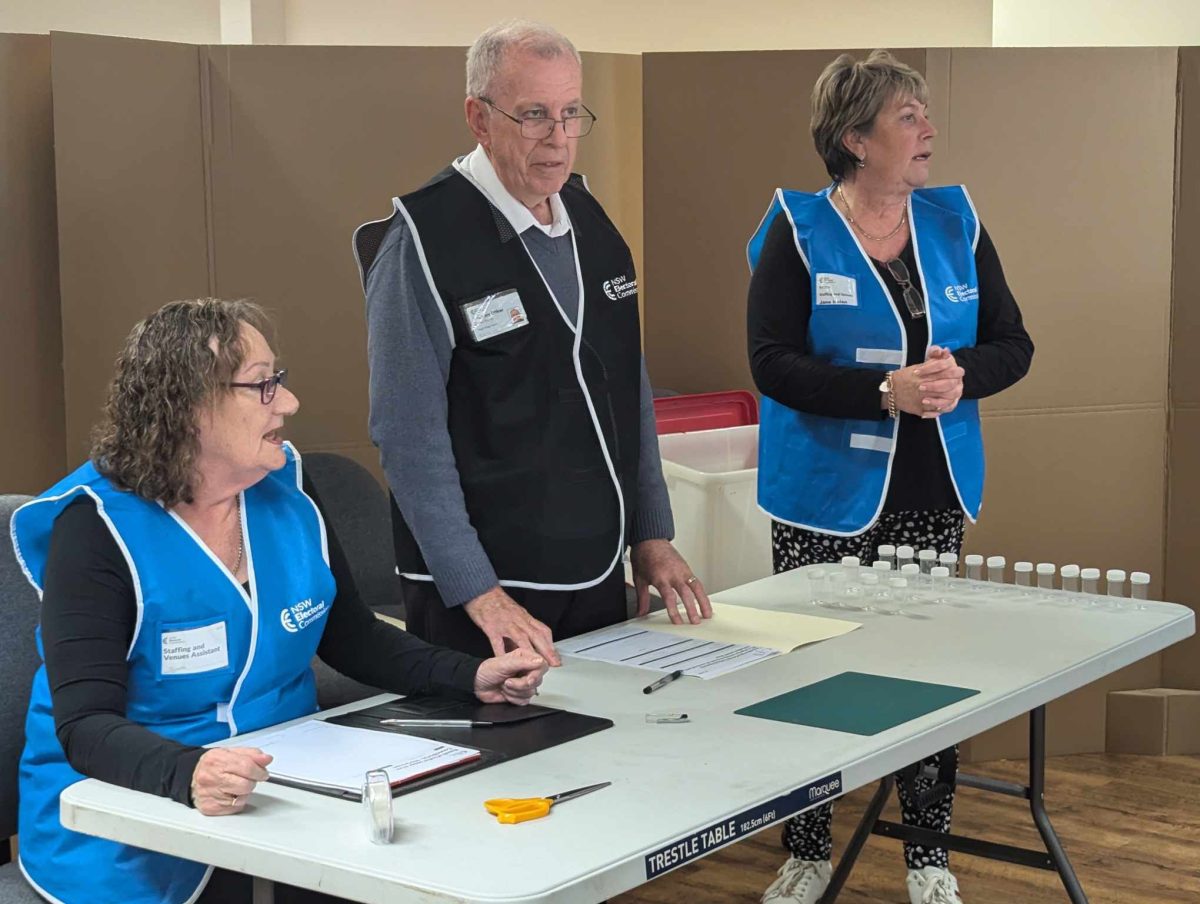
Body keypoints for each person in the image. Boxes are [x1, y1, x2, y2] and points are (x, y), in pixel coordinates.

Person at [11, 299, 549, 904]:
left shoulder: (286, 488)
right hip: (131, 802)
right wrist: (187, 772)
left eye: (280, 381)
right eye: (263, 386)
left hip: (286, 784)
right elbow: (85, 727)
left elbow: (351, 636)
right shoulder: (97, 528)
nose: (288, 403)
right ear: (191, 407)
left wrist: (471, 674)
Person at [746, 51, 1033, 904]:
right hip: (821, 502)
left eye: (923, 113)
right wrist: (882, 389)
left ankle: (926, 855)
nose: (928, 130)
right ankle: (805, 849)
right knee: (812, 677)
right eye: (908, 116)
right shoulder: (797, 232)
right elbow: (772, 364)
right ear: (854, 139)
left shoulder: (956, 224)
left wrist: (960, 377)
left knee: (924, 673)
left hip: (928, 494)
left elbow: (1014, 343)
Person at [355, 20, 711, 664]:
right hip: (487, 595)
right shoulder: (422, 241)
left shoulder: (592, 222)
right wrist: (477, 590)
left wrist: (651, 534)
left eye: (571, 114)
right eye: (534, 115)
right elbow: (408, 438)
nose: (557, 138)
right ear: (479, 117)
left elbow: (626, 391)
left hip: (596, 570)